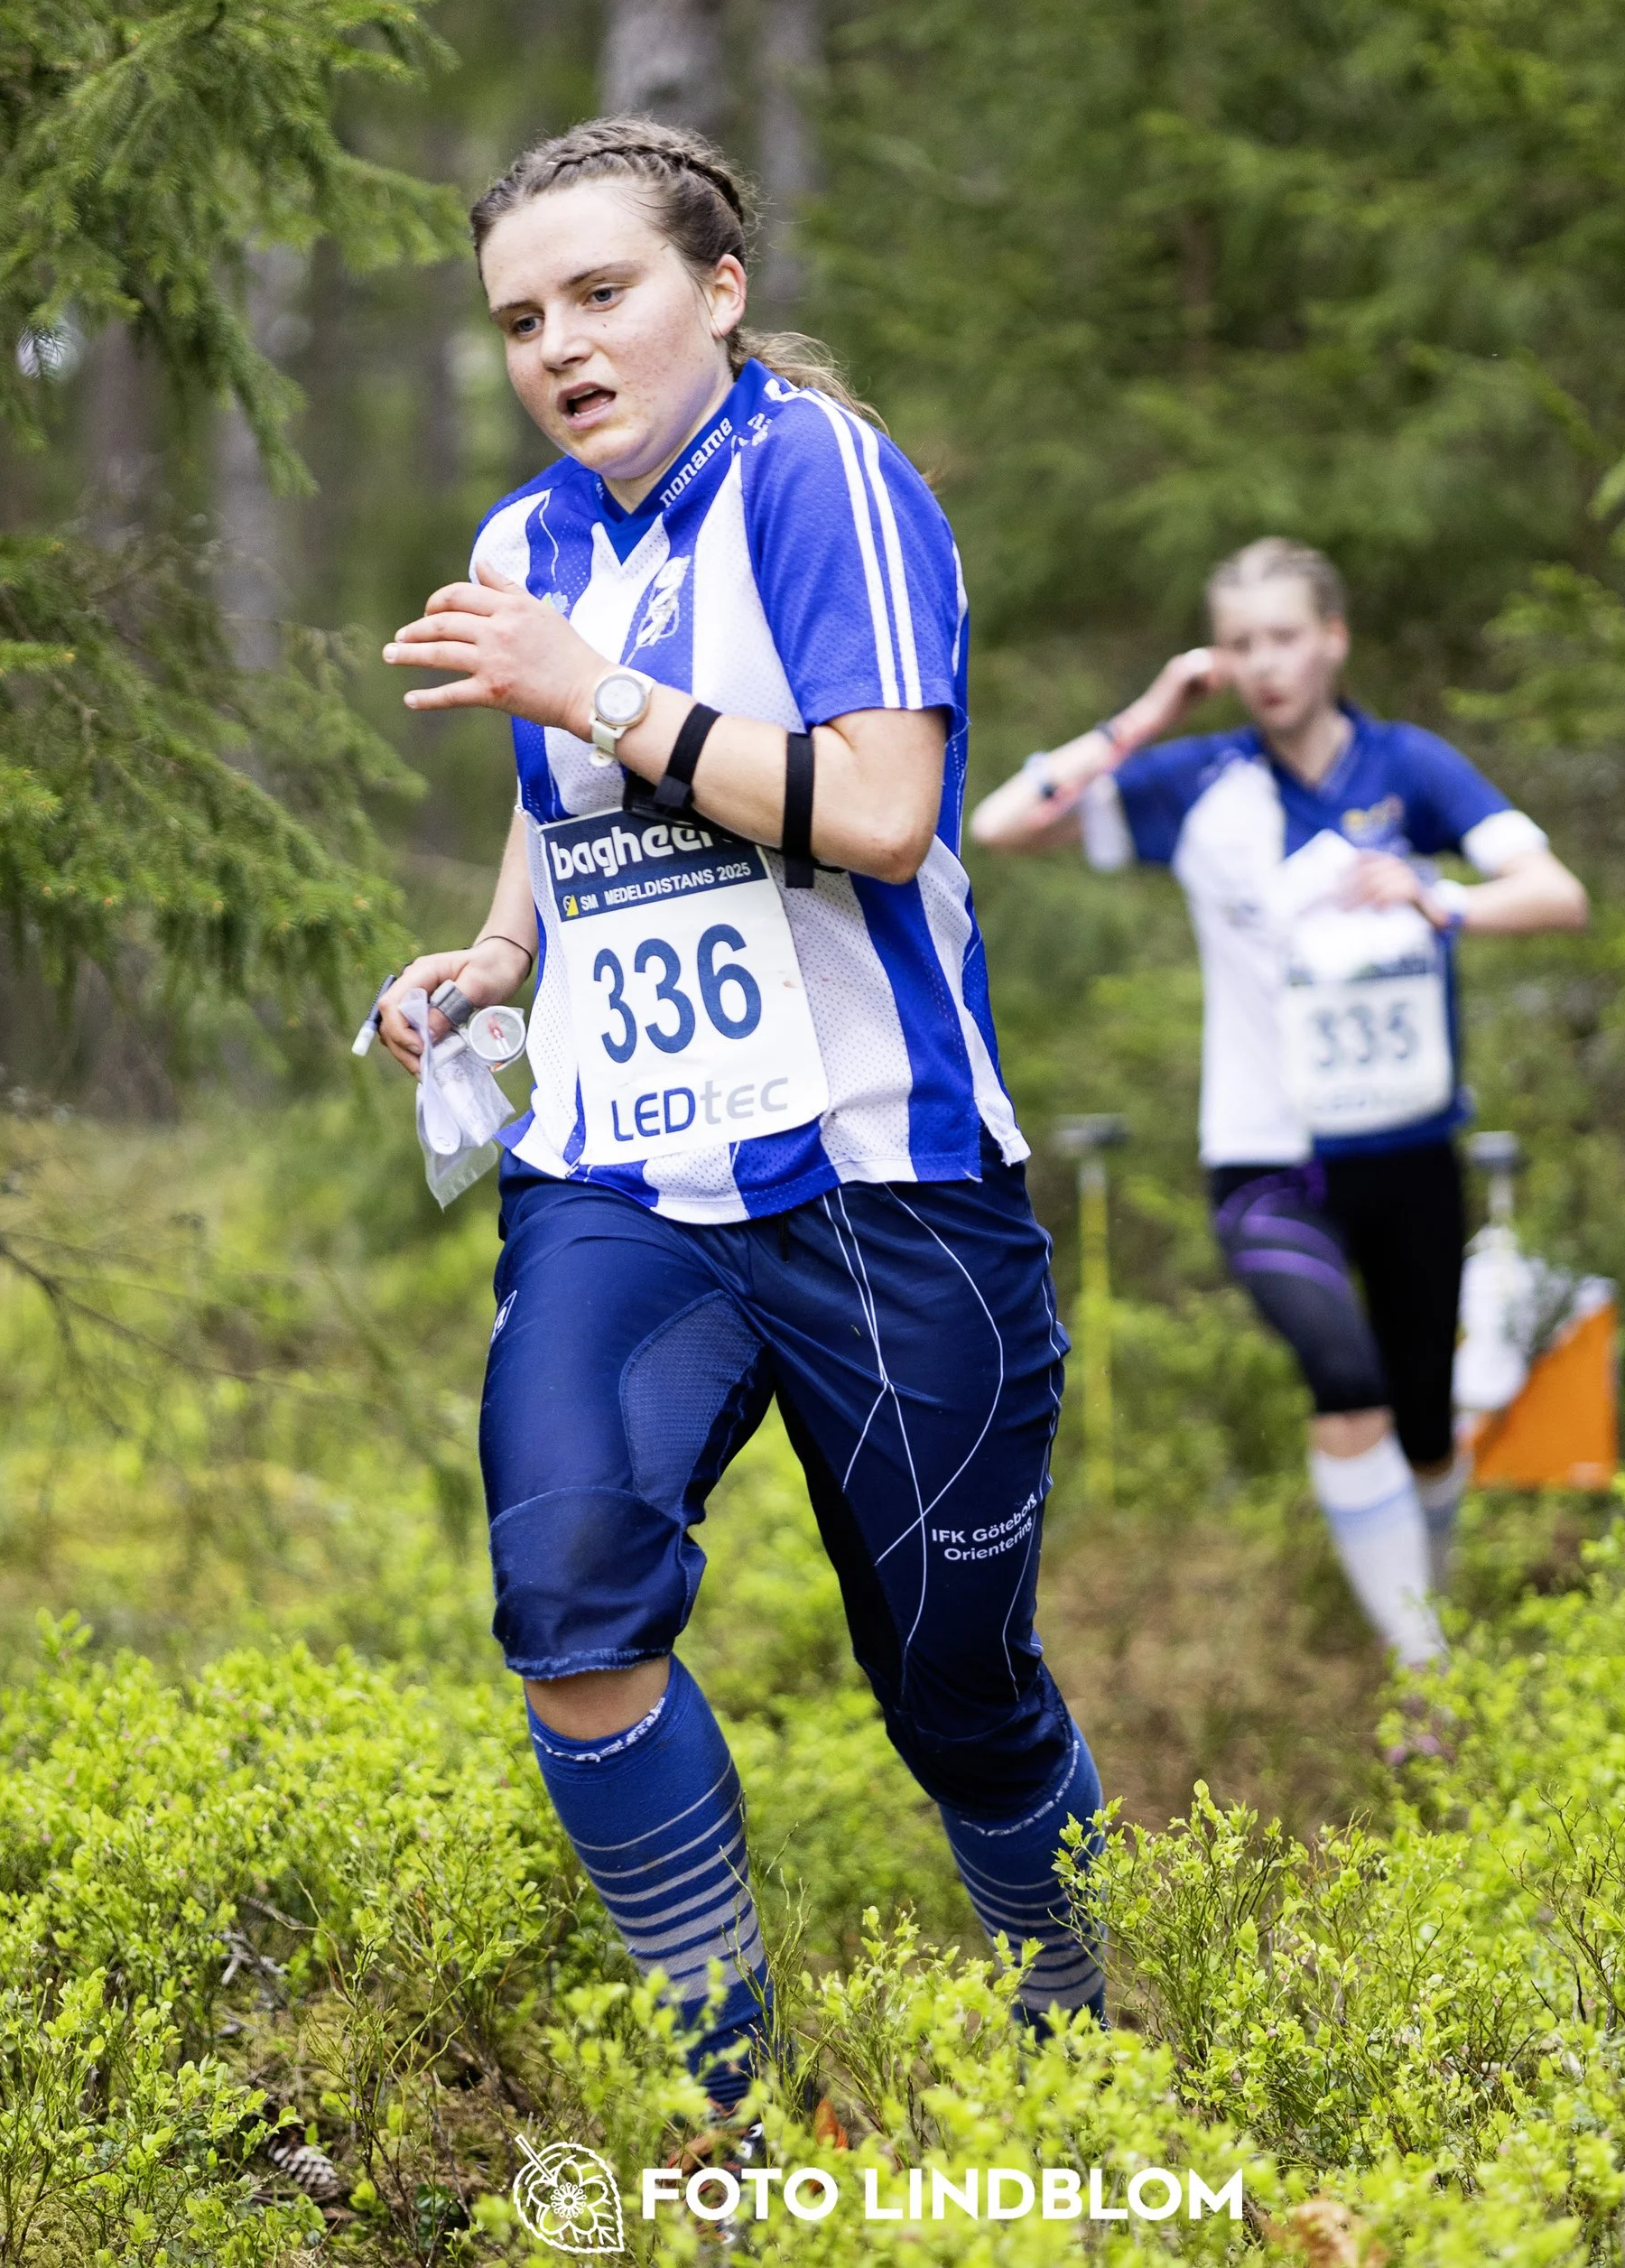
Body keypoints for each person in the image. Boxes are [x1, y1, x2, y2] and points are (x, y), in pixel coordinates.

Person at [372, 116, 1103, 2121]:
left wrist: (592, 690)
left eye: (600, 293)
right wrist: (494, 959)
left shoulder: (828, 481)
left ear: (717, 288)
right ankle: (729, 2098)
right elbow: (563, 829)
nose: (557, 345)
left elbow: (879, 809)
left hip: (887, 1180)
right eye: (520, 317)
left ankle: (1082, 2033)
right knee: (568, 1604)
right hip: (620, 1175)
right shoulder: (528, 545)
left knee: (955, 1693)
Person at [970, 537, 1586, 1668]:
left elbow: (1557, 894)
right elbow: (1005, 822)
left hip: (1406, 1148)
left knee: (1423, 1429)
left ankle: (1428, 1619)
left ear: (1334, 638)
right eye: (1241, 642)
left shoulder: (1411, 768)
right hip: (1264, 1159)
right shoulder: (1199, 782)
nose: (1265, 663)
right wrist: (1149, 711)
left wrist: (1438, 895)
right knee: (1340, 1383)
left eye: (1286, 636)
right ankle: (1428, 1677)